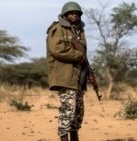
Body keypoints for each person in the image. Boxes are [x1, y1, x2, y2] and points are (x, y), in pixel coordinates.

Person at [46, 1, 90, 141]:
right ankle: (64, 139)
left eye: (76, 13)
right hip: (65, 77)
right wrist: (78, 56)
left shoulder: (79, 30)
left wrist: (87, 72)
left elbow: (84, 55)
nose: (74, 15)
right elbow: (57, 49)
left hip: (77, 78)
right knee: (67, 110)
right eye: (71, 13)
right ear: (65, 15)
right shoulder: (57, 28)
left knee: (78, 112)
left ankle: (74, 138)